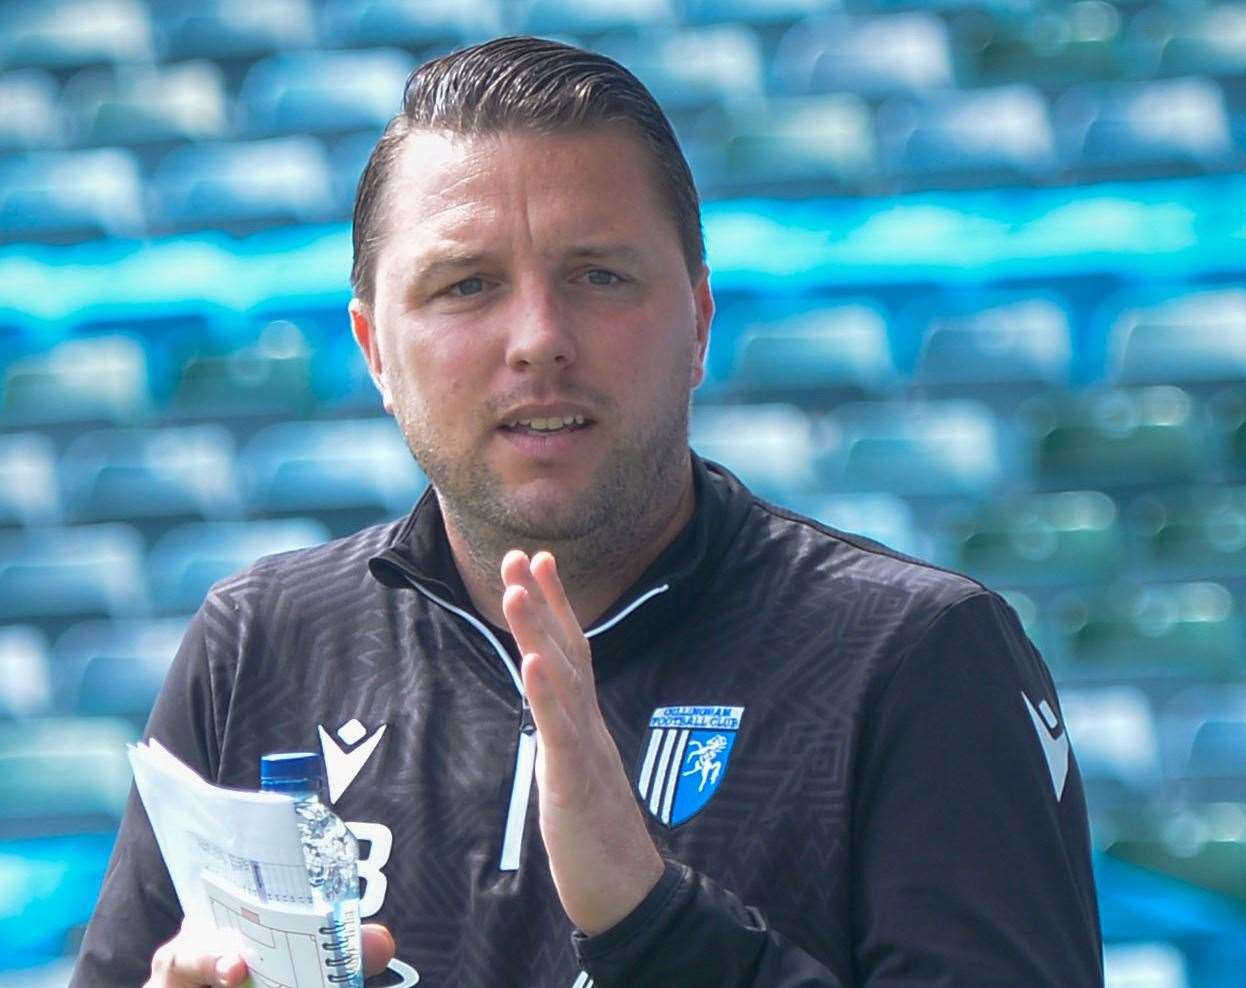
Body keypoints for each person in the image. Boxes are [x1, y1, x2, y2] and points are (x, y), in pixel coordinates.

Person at [72, 36, 1104, 987]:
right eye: (465, 285)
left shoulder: (913, 657)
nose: (537, 338)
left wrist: (650, 918)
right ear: (373, 349)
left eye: (598, 275)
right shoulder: (258, 646)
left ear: (697, 323)